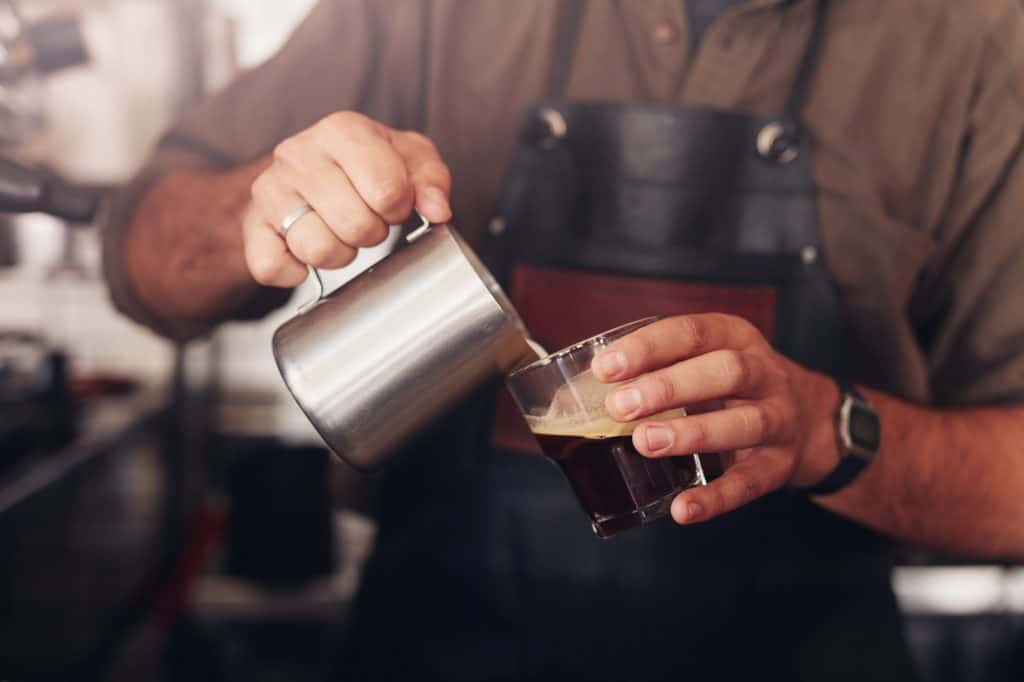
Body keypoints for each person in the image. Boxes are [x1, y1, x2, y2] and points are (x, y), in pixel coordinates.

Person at [103, 1, 1024, 680]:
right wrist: (259, 206)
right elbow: (140, 261)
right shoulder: (424, 15)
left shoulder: (977, 44)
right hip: (436, 643)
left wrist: (832, 431)